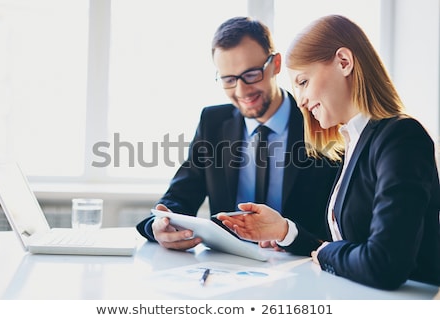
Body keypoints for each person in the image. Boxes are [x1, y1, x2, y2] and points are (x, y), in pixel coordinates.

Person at [218, 14, 440, 290]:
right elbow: (342, 247)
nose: (300, 100)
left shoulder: (401, 138)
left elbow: (383, 263)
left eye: (303, 82)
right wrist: (284, 231)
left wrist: (325, 253)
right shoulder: (353, 141)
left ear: (344, 62)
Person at [136, 16, 339, 253]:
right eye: (229, 80)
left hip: (301, 264)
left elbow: (336, 221)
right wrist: (159, 225)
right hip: (229, 265)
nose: (242, 90)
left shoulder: (319, 120)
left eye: (251, 74)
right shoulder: (213, 123)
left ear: (275, 65)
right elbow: (179, 196)